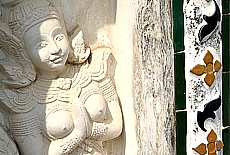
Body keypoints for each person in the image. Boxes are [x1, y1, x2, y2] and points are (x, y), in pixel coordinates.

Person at [0, 0, 122, 154]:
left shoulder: (94, 71)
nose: (55, 49)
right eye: (41, 45)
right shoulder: (23, 103)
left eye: (58, 37)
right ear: (25, 53)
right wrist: (77, 135)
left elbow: (116, 126)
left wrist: (91, 130)